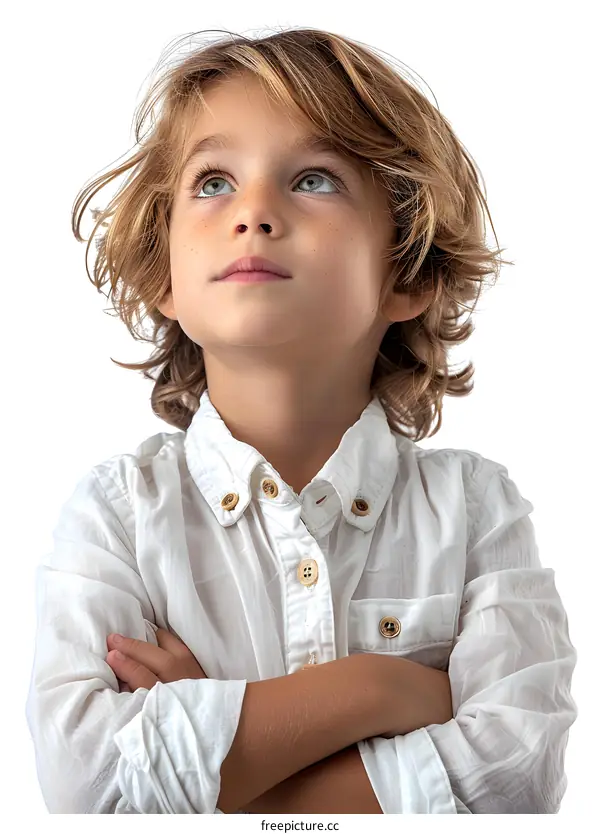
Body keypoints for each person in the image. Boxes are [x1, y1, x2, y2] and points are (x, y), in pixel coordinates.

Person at [24, 26, 578, 814]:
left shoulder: (478, 512)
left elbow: (517, 780)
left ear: (407, 273)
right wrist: (384, 688)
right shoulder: (117, 517)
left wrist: (222, 760)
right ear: (165, 278)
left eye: (314, 179)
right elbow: (89, 788)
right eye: (212, 182)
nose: (253, 210)